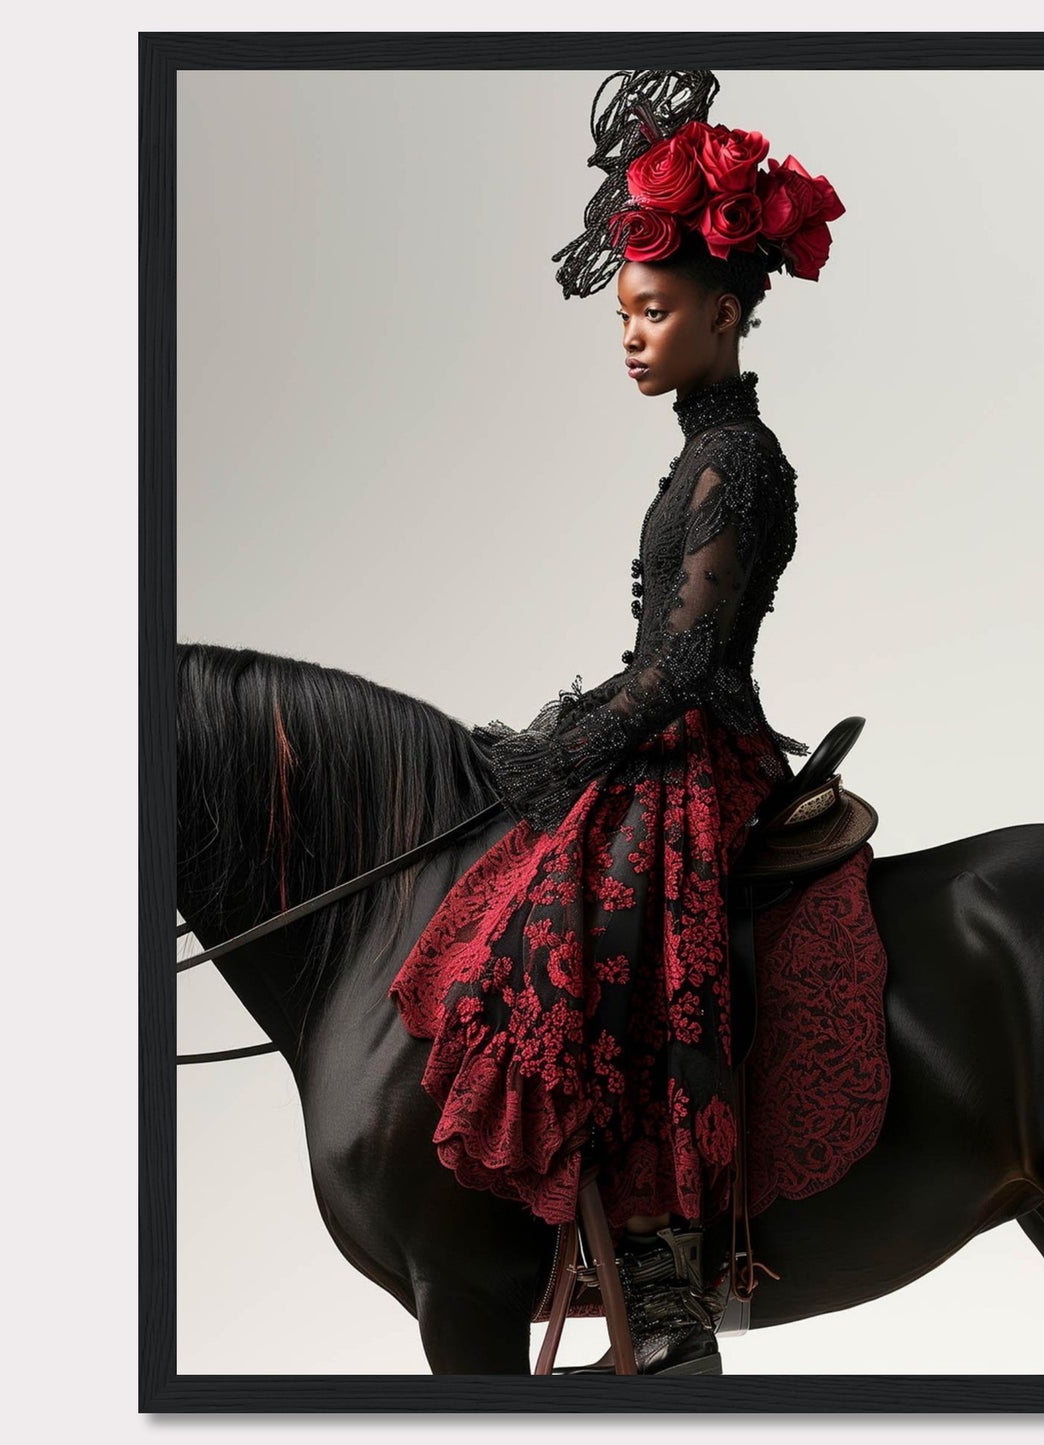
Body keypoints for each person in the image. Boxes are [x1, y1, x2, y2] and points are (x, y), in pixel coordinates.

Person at [388, 68, 845, 1376]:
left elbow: (691, 663)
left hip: (702, 750)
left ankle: (659, 1266)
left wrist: (557, 748)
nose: (630, 335)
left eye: (651, 312)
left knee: (613, 913)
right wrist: (563, 730)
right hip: (665, 728)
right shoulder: (702, 452)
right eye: (626, 315)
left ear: (719, 309)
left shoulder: (739, 463)